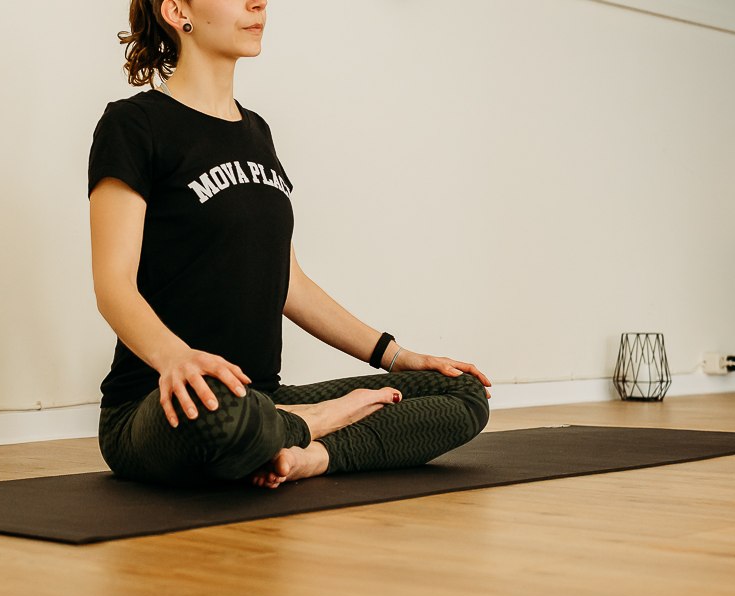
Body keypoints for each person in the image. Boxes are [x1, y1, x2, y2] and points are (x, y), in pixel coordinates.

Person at [88, 0, 492, 489]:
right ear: (177, 10)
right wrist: (177, 359)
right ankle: (314, 422)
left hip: (264, 399)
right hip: (159, 405)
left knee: (463, 393)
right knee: (218, 413)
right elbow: (114, 286)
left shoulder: (257, 133)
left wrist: (396, 356)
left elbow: (289, 282)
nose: (258, 3)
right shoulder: (133, 125)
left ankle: (309, 456)